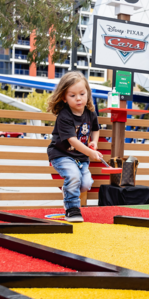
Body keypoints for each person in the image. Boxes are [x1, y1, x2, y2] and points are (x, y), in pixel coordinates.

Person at [46, 72, 103, 222]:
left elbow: (96, 129)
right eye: (72, 95)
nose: (78, 98)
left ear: (87, 93)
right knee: (73, 177)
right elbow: (72, 140)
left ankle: (68, 190)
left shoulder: (90, 113)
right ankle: (72, 209)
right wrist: (90, 152)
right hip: (61, 154)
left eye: (82, 94)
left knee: (86, 184)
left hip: (80, 157)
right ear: (64, 97)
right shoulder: (64, 116)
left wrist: (94, 142)